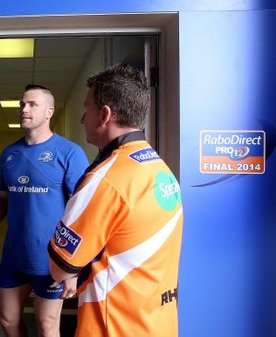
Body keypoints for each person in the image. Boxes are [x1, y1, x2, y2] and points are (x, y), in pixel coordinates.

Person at [48, 64, 183, 336]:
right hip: (157, 323)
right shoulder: (159, 168)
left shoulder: (106, 179)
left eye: (86, 108)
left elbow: (60, 269)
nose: (82, 118)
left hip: (114, 327)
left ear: (105, 114)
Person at [0, 84, 89, 337]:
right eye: (22, 105)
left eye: (32, 104)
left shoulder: (69, 152)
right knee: (7, 319)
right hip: (14, 255)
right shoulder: (9, 153)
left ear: (49, 111)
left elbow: (83, 212)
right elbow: (2, 198)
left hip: (51, 259)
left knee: (47, 325)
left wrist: (73, 266)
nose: (24, 109)